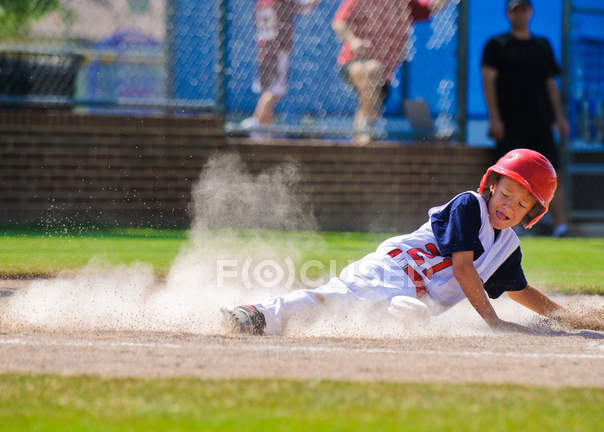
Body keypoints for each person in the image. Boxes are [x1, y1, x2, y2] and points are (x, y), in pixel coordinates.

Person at [228, 148, 577, 335]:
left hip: (413, 297)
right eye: (506, 193)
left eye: (521, 204)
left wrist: (568, 318)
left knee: (399, 319)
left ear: (533, 213)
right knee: (342, 298)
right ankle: (259, 314)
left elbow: (518, 289)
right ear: (492, 185)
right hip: (393, 270)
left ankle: (388, 319)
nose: (509, 206)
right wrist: (493, 320)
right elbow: (463, 268)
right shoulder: (469, 205)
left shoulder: (507, 247)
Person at [481, 0, 571, 237]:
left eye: (523, 9)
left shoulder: (542, 45)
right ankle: (503, 226)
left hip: (540, 122)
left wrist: (559, 117)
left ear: (530, 12)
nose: (519, 14)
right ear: (508, 14)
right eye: (514, 10)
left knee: (554, 172)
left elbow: (551, 84)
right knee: (508, 177)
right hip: (510, 123)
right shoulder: (497, 45)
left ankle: (561, 226)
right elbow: (488, 81)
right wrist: (494, 118)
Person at [332, 0, 449, 145]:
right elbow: (339, 22)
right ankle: (367, 130)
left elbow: (432, 7)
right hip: (355, 62)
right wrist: (353, 41)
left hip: (385, 73)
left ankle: (364, 133)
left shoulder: (405, 3)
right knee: (369, 70)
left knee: (374, 78)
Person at [241, 0, 320, 136]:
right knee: (274, 92)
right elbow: (304, 8)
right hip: (277, 50)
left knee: (267, 91)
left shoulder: (262, 2)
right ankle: (256, 125)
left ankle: (264, 134)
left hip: (263, 49)